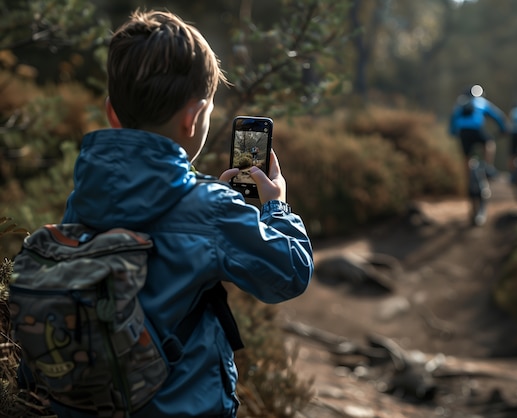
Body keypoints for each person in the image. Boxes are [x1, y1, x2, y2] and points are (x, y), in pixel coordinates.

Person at [35, 9, 314, 418]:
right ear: (194, 117)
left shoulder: (86, 195)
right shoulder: (211, 210)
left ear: (113, 113)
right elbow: (289, 273)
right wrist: (276, 205)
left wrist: (210, 193)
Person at [449, 84, 507, 172]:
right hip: (476, 129)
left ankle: (468, 181)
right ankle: (488, 167)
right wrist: (503, 128)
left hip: (463, 132)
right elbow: (497, 116)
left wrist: (453, 132)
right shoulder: (481, 101)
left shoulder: (460, 103)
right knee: (489, 144)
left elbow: (453, 118)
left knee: (466, 157)